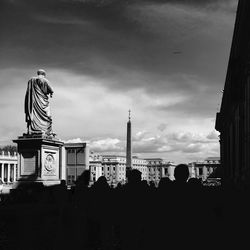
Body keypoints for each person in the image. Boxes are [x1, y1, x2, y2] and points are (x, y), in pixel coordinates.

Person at [25, 69, 54, 135]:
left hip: (34, 101)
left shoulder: (31, 80)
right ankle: (45, 130)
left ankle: (32, 129)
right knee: (47, 115)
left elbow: (28, 92)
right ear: (44, 74)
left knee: (34, 114)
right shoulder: (45, 80)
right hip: (42, 101)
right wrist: (51, 93)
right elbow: (51, 90)